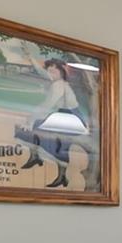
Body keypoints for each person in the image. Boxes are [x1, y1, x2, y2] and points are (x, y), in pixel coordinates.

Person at [21, 59, 83, 189]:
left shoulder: (58, 85)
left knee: (57, 143)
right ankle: (39, 158)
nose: (50, 74)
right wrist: (30, 57)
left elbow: (48, 104)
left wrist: (30, 119)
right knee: (57, 142)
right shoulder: (57, 81)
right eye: (49, 71)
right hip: (66, 116)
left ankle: (39, 158)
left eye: (54, 71)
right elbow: (42, 72)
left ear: (61, 72)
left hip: (70, 117)